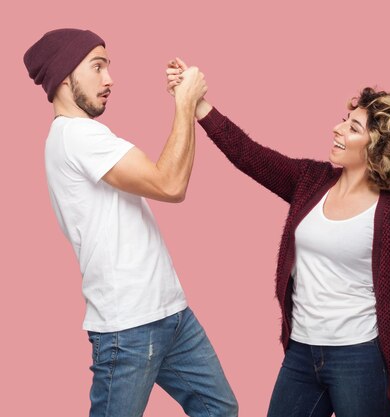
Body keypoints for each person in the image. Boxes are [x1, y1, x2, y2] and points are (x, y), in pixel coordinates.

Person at [167, 59, 390, 417]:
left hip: (362, 358)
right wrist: (197, 104)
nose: (337, 129)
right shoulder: (311, 180)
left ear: (377, 148)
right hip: (302, 353)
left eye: (352, 128)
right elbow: (248, 154)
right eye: (343, 120)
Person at [23, 29, 238, 417]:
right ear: (64, 75)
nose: (109, 80)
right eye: (97, 67)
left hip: (170, 313)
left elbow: (171, 181)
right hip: (129, 326)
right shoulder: (77, 137)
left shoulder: (83, 137)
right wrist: (185, 103)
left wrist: (186, 106)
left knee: (219, 409)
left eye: (109, 67)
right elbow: (169, 183)